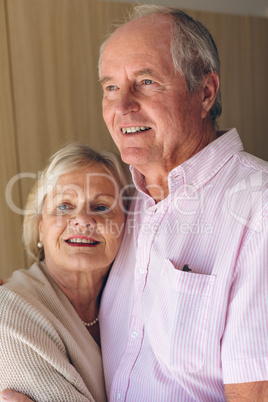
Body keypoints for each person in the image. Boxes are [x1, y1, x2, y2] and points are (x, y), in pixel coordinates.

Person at [1, 4, 268, 402]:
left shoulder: (256, 205)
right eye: (110, 87)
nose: (121, 106)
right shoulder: (127, 201)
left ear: (206, 92)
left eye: (145, 82)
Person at [0, 143, 128, 401]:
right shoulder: (9, 311)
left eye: (102, 207)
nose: (83, 219)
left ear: (126, 228)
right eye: (64, 206)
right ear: (40, 227)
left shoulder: (137, 303)